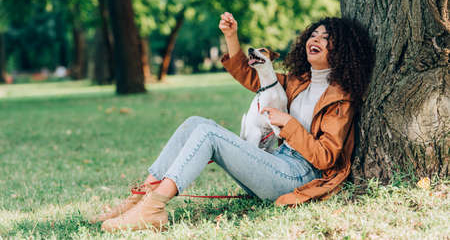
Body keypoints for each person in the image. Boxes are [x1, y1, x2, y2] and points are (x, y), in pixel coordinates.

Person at [93, 12, 373, 232]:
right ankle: (140, 198)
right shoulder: (299, 82)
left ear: (342, 50)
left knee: (208, 134)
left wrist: (288, 124)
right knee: (194, 122)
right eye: (314, 34)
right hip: (275, 166)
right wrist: (231, 36)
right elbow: (253, 76)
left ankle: (154, 208)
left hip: (300, 177)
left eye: (326, 38)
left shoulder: (341, 99)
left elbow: (326, 158)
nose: (317, 39)